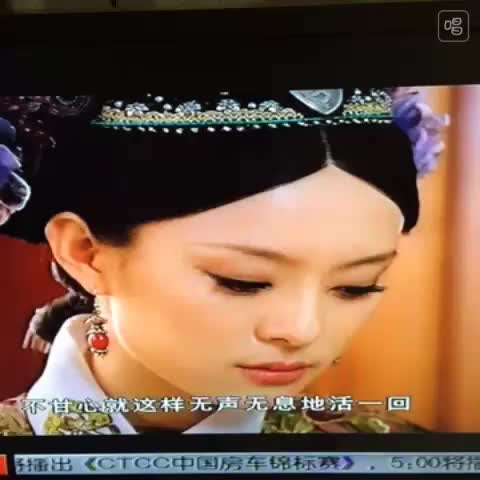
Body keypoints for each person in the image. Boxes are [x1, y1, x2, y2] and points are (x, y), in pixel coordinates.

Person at [0, 89, 448, 435]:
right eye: (243, 281)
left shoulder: (391, 449)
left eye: (356, 286)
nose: (303, 330)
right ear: (86, 253)